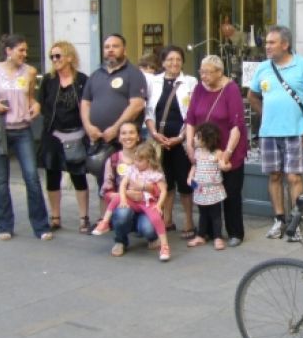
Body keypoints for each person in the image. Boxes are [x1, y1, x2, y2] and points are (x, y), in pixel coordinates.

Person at [0, 34, 52, 241]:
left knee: (32, 178)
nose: (25, 54)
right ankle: (4, 225)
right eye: (21, 50)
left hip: (23, 129)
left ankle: (41, 226)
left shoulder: (29, 71)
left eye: (26, 50)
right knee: (1, 180)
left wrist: (35, 105)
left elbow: (29, 98)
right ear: (8, 51)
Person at [248, 25, 303, 242]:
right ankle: (279, 219)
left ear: (285, 44)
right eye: (267, 42)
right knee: (275, 176)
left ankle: (296, 222)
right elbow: (252, 96)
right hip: (269, 133)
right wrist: (267, 114)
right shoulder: (263, 68)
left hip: (296, 132)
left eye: (272, 43)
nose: (267, 46)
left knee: (293, 177)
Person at [80, 33, 148, 214]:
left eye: (115, 46)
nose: (110, 50)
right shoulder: (95, 75)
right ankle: (105, 219)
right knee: (103, 182)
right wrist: (88, 126)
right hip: (99, 140)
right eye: (107, 47)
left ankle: (127, 219)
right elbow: (85, 103)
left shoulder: (133, 74)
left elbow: (137, 104)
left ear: (124, 49)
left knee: (127, 180)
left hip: (123, 140)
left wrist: (116, 129)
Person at [185, 55, 248, 247]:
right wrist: (189, 145)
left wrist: (227, 153)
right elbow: (190, 119)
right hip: (203, 151)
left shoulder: (231, 89)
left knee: (230, 192)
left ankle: (235, 232)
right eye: (201, 71)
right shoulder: (198, 88)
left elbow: (236, 125)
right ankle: (208, 232)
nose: (203, 76)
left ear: (219, 72)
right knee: (205, 190)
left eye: (207, 72)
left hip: (227, 150)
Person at [145, 45, 198, 239]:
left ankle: (189, 220)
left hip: (181, 141)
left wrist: (181, 137)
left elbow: (193, 114)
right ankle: (167, 219)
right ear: (162, 62)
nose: (174, 63)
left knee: (185, 183)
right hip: (159, 142)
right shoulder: (154, 82)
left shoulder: (190, 82)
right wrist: (154, 133)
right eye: (170, 59)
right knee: (164, 182)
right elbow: (149, 111)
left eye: (178, 59)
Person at [37, 41, 90, 234]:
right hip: (53, 134)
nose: (55, 60)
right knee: (52, 175)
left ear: (69, 57)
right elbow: (42, 104)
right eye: (52, 56)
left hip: (76, 133)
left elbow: (88, 105)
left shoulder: (82, 80)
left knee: (78, 176)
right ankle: (55, 216)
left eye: (58, 56)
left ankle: (84, 218)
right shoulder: (48, 81)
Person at [93, 143, 171, 261]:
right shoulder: (132, 170)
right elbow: (123, 185)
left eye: (139, 161)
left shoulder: (155, 174)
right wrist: (124, 199)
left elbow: (163, 191)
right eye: (135, 160)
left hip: (147, 202)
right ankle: (104, 222)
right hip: (132, 200)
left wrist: (159, 205)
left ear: (148, 161)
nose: (136, 163)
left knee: (156, 218)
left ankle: (164, 246)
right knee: (117, 198)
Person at [99, 122, 159, 257]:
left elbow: (160, 186)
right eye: (124, 133)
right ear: (119, 138)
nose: (128, 137)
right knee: (122, 214)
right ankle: (120, 241)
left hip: (145, 203)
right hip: (124, 203)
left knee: (148, 229)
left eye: (132, 132)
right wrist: (122, 195)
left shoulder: (149, 156)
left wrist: (145, 189)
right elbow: (106, 190)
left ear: (138, 136)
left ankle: (151, 236)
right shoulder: (113, 159)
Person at [186, 122, 232, 250]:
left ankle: (218, 237)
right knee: (202, 214)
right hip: (200, 188)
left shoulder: (217, 153)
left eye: (197, 136)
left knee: (216, 215)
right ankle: (201, 235)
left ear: (207, 139)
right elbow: (194, 166)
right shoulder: (197, 153)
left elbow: (227, 165)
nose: (194, 138)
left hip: (213, 189)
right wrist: (190, 177)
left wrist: (225, 166)